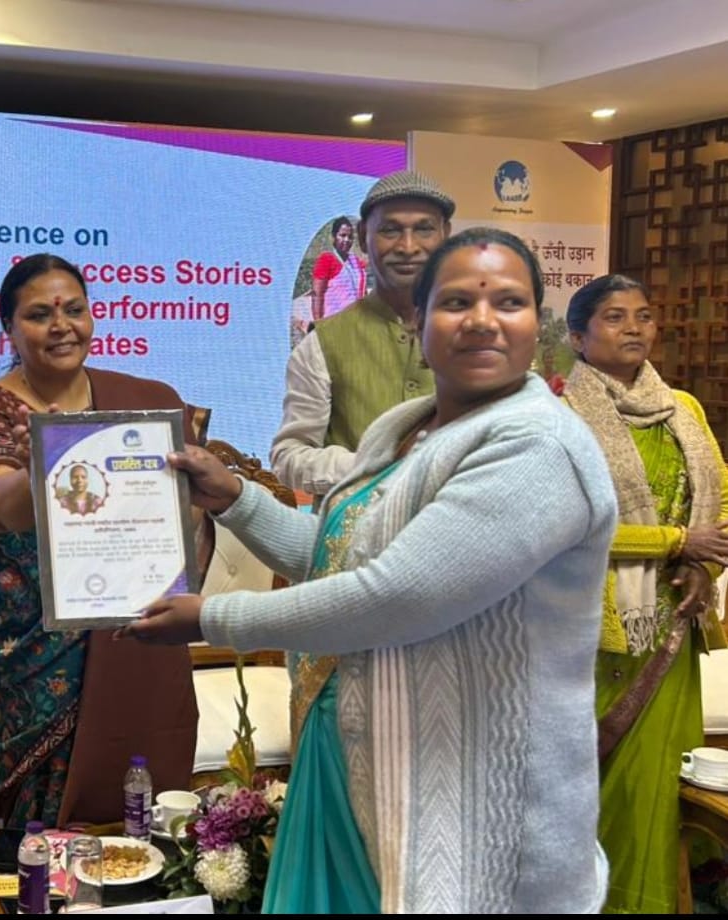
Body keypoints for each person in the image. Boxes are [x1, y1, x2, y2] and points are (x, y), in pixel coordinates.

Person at [120, 227, 617, 913]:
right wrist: (236, 500)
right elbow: (340, 558)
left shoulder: (537, 445)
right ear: (416, 322)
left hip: (468, 794)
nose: (481, 321)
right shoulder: (408, 429)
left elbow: (397, 596)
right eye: (455, 302)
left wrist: (213, 618)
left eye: (508, 302)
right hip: (361, 756)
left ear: (539, 325)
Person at [0, 252, 208, 828]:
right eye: (40, 315)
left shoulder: (142, 402)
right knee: (45, 801)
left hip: (132, 619)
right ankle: (46, 874)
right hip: (30, 635)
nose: (61, 326)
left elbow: (184, 515)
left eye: (74, 310)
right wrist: (34, 472)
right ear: (9, 327)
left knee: (143, 782)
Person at [562, 274, 728, 913]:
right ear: (577, 337)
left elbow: (721, 499)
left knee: (661, 782)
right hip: (594, 630)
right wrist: (676, 541)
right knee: (604, 786)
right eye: (614, 316)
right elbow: (569, 527)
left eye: (644, 315)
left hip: (676, 620)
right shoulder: (561, 418)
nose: (634, 327)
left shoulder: (684, 409)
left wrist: (702, 564)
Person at [271, 170, 453, 747]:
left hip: (457, 570)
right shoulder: (324, 342)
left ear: (447, 237)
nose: (407, 245)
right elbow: (288, 455)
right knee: (345, 744)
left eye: (424, 229)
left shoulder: (475, 335)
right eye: (391, 230)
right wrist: (376, 465)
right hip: (350, 572)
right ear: (364, 239)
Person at [308, 215, 366, 324]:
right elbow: (317, 294)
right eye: (342, 235)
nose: (346, 240)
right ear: (334, 236)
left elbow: (362, 290)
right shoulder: (326, 259)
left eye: (350, 237)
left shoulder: (354, 261)